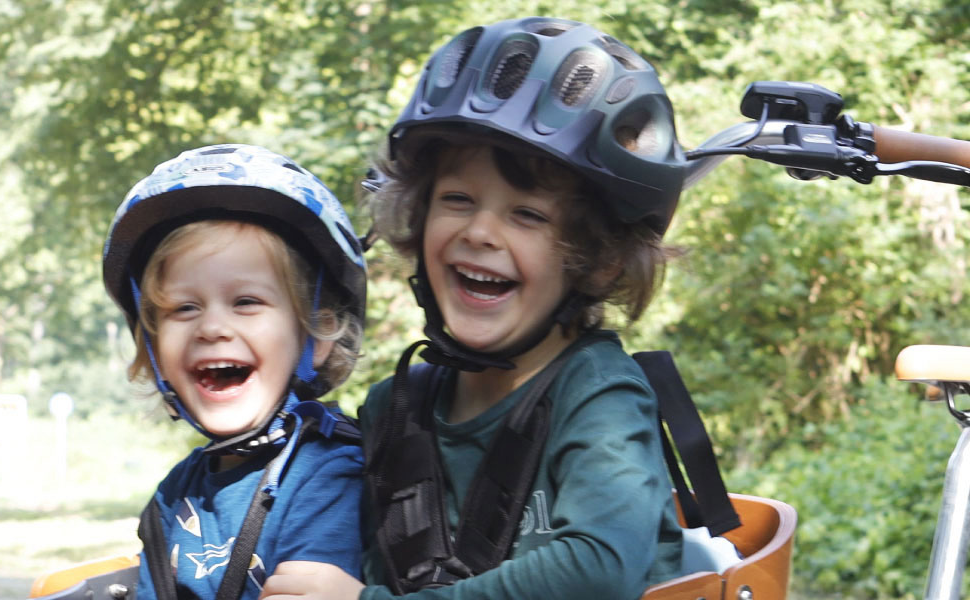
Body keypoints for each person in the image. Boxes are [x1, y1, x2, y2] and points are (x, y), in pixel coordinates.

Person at [261, 16, 690, 600]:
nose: (481, 231)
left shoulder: (598, 394)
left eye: (528, 214)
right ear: (417, 218)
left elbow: (600, 569)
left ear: (598, 260)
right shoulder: (397, 409)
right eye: (457, 200)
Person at [101, 144, 369, 600]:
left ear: (318, 334)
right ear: (153, 348)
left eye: (246, 302)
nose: (212, 327)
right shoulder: (176, 493)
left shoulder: (328, 473)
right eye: (184, 308)